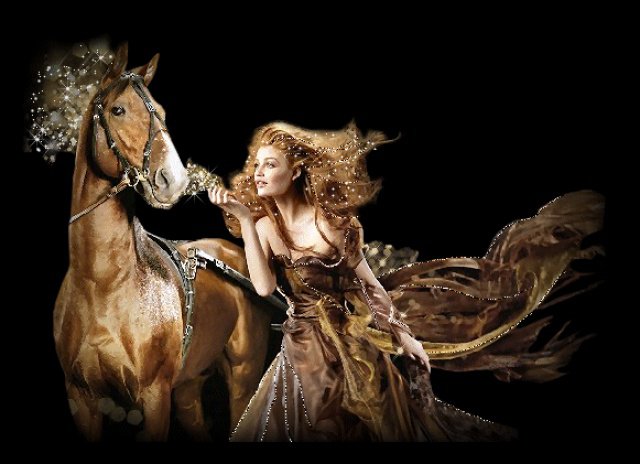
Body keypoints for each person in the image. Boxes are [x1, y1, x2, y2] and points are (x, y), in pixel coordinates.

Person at [208, 121, 604, 442]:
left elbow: (369, 286)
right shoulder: (262, 227)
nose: (258, 173)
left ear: (295, 171)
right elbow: (264, 288)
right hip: (301, 350)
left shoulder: (334, 224)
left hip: (350, 346)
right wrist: (245, 221)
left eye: (270, 164)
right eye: (256, 165)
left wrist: (405, 337)